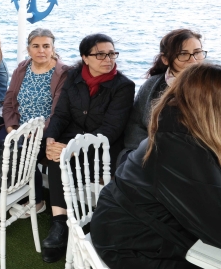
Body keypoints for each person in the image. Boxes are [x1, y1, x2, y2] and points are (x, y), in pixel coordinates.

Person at [91, 63, 221, 269]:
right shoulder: (178, 145)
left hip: (141, 224)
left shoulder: (177, 125)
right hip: (129, 242)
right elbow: (215, 224)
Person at [41, 33, 135, 263]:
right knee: (53, 155)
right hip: (71, 138)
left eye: (111, 54)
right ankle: (59, 223)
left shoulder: (123, 86)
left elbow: (110, 130)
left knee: (62, 158)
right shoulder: (73, 77)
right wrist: (51, 138)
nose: (108, 59)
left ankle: (70, 225)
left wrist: (71, 149)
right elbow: (61, 114)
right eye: (100, 54)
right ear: (85, 57)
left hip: (103, 148)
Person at [0, 28, 70, 220]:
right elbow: (9, 102)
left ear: (53, 48)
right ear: (28, 49)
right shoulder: (22, 68)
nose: (41, 50)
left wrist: (36, 133)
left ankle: (37, 201)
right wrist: (11, 127)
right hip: (17, 125)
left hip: (44, 130)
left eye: (46, 46)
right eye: (35, 46)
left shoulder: (63, 74)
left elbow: (59, 112)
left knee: (26, 156)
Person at [118, 29, 206, 166]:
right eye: (183, 54)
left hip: (199, 157)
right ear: (165, 59)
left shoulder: (213, 85)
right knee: (126, 164)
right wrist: (148, 151)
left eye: (197, 52)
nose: (193, 60)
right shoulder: (152, 85)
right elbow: (135, 125)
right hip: (152, 153)